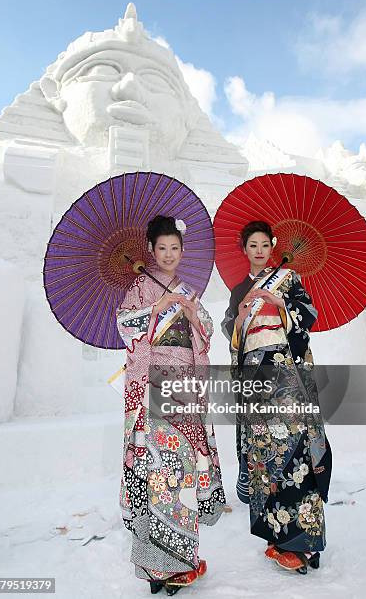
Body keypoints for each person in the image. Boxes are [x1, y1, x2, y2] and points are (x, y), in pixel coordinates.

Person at [116, 215, 225, 594]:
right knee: (154, 470)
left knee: (181, 471)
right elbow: (125, 326)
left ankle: (179, 561)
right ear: (151, 250)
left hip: (184, 386)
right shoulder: (139, 288)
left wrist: (194, 316)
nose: (167, 255)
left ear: (182, 251)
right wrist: (156, 307)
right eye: (161, 248)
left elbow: (207, 331)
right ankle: (154, 565)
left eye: (174, 249)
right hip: (152, 387)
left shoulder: (188, 290)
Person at [221, 220, 332, 574]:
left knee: (295, 450)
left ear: (272, 246)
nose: (258, 250)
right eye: (251, 245)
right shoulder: (239, 290)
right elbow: (232, 336)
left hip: (286, 377)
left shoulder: (288, 280)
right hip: (256, 380)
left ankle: (305, 544)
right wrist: (239, 320)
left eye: (264, 244)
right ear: (244, 250)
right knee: (265, 456)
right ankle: (278, 536)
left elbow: (308, 315)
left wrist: (279, 304)